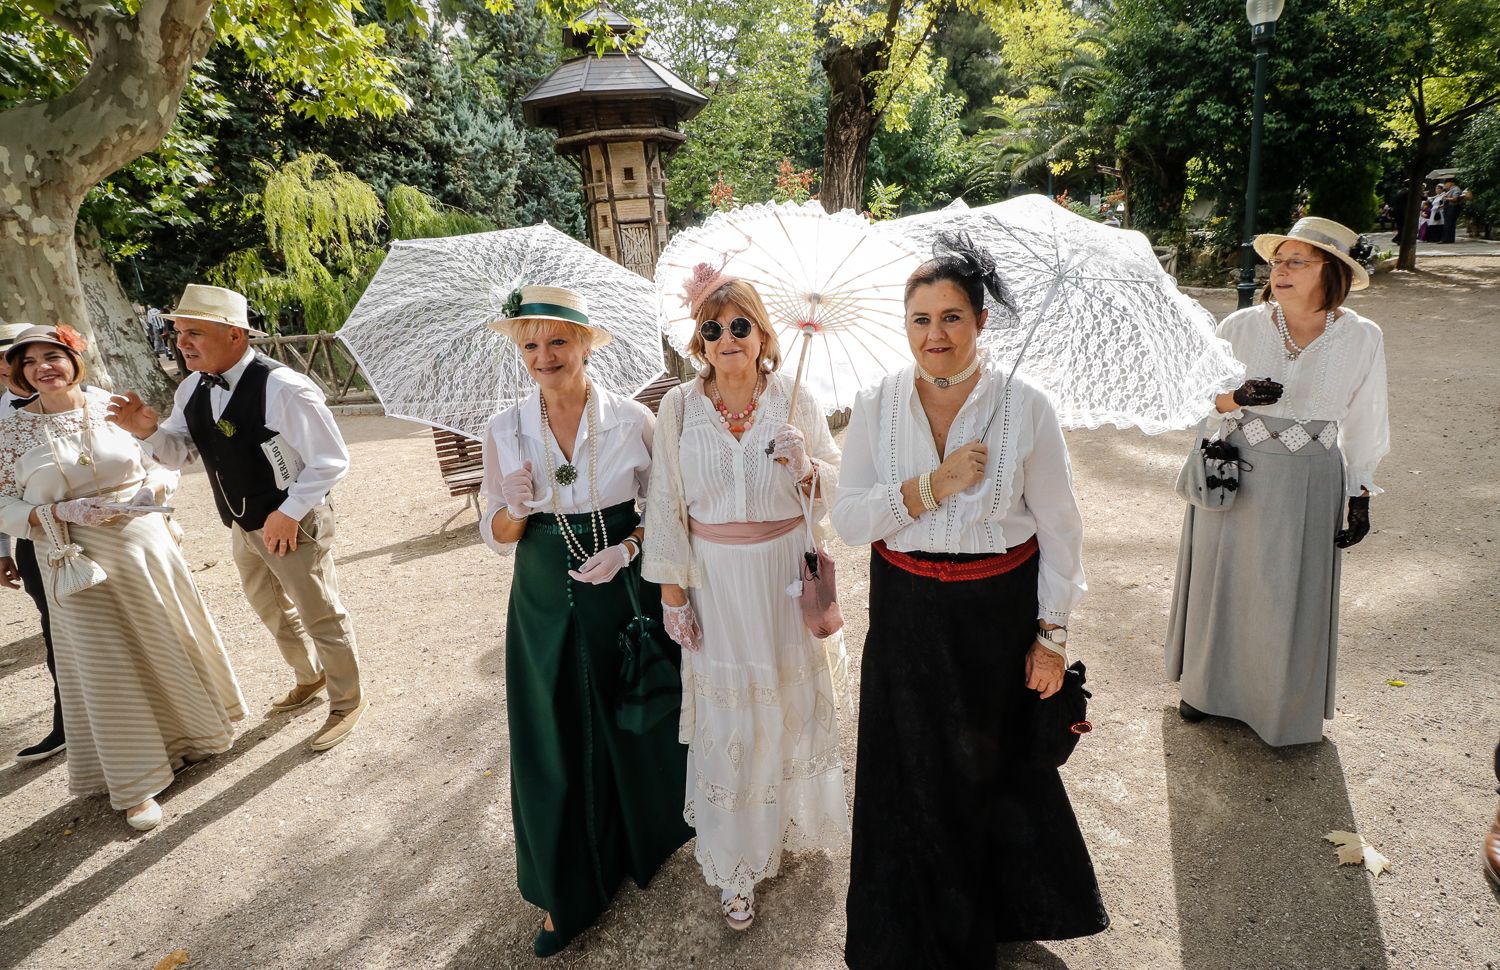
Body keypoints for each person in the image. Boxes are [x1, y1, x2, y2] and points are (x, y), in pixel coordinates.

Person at [831, 233, 1108, 967]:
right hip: (907, 610)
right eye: (920, 319)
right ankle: (908, 930)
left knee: (989, 768)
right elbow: (851, 520)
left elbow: (1059, 526)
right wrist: (935, 486)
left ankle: (994, 915)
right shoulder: (875, 403)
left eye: (952, 317)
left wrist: (1051, 636)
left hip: (997, 612)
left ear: (981, 322)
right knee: (910, 769)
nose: (936, 335)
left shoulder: (1028, 407)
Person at [481, 285, 691, 957]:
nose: (543, 356)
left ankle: (644, 839)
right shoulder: (504, 428)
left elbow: (667, 508)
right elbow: (498, 533)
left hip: (622, 579)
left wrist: (628, 550)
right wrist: (511, 506)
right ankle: (565, 885)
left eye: (557, 342)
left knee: (633, 707)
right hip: (543, 582)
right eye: (530, 345)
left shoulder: (634, 419)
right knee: (551, 726)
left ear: (586, 343)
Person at [643, 269, 849, 931]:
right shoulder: (676, 407)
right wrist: (673, 592)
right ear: (697, 341)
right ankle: (736, 864)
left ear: (762, 333)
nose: (727, 338)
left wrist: (810, 468)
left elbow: (839, 493)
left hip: (784, 575)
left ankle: (783, 822)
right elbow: (666, 503)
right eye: (713, 328)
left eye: (740, 325)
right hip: (717, 582)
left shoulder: (795, 398)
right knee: (729, 724)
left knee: (787, 707)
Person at [0, 324, 245, 830]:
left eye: (53, 356)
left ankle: (195, 735)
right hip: (72, 558)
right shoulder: (8, 433)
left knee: (163, 639)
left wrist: (154, 485)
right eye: (30, 362)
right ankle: (136, 783)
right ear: (19, 374)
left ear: (73, 360)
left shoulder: (112, 405)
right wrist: (62, 514)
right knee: (105, 664)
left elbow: (160, 459)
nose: (43, 367)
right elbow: (2, 503)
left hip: (142, 544)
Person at [107, 284, 368, 752]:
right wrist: (146, 430)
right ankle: (308, 677)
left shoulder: (284, 387)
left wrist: (288, 514)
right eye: (178, 332)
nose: (181, 343)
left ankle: (347, 700)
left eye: (194, 333)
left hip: (294, 519)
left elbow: (331, 460)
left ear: (234, 335)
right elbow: (180, 453)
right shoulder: (191, 386)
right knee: (269, 605)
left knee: (319, 612)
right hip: (241, 520)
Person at [1167, 216, 1389, 746]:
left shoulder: (1362, 337)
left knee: (1292, 592)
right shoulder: (1239, 326)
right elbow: (1196, 398)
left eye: (1297, 261)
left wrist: (1360, 493)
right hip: (1237, 471)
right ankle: (1204, 689)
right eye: (1277, 260)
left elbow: (1365, 417)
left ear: (1330, 271)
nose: (1280, 270)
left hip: (1311, 480)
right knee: (1223, 581)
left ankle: (1283, 707)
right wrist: (1236, 399)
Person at [0, 322, 66, 762]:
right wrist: (3, 550)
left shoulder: (76, 396)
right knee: (57, 632)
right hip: (38, 540)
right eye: (17, 359)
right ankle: (68, 724)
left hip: (105, 534)